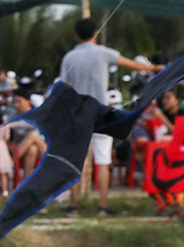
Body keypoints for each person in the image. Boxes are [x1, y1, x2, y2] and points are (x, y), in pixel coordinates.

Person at [56, 18, 159, 213]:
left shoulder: (69, 57)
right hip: (101, 114)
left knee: (76, 162)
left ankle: (74, 206)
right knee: (103, 161)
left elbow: (63, 88)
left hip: (79, 115)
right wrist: (154, 68)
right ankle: (103, 206)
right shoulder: (103, 53)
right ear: (95, 33)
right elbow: (133, 65)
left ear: (76, 35)